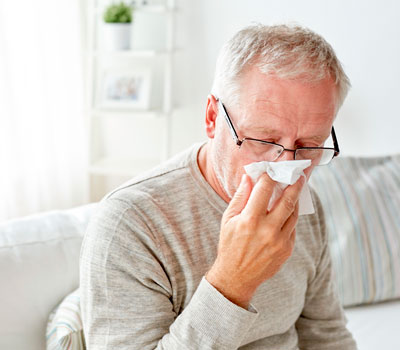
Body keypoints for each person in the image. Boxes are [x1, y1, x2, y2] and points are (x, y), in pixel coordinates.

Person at [80, 23, 357, 349]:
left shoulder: (304, 207)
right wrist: (234, 282)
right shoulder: (131, 224)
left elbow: (326, 337)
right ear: (213, 117)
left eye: (309, 145)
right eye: (264, 140)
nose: (287, 169)